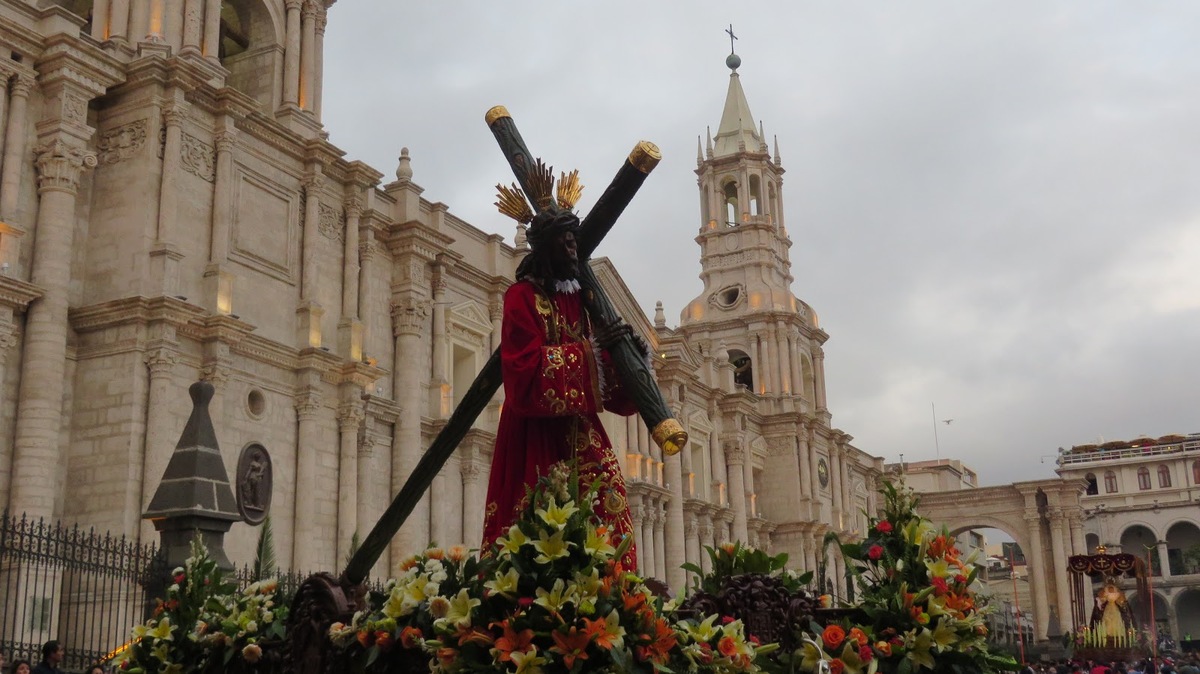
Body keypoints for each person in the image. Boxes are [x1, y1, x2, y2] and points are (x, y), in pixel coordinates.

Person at [482, 209, 640, 567]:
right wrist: (594, 352)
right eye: (566, 245)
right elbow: (522, 371)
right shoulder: (520, 297)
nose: (573, 253)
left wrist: (625, 354)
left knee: (607, 500)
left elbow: (603, 378)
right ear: (547, 248)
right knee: (534, 520)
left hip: (579, 425)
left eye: (575, 244)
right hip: (533, 432)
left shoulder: (578, 298)